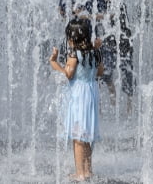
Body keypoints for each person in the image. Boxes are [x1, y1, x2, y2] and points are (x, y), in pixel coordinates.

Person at [49, 18, 104, 181]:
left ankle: (80, 173)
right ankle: (88, 170)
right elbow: (100, 73)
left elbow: (68, 74)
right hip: (91, 93)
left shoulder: (75, 55)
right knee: (86, 135)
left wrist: (54, 61)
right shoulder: (95, 53)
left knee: (78, 136)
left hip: (78, 96)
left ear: (72, 39)